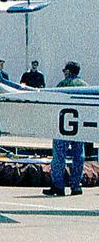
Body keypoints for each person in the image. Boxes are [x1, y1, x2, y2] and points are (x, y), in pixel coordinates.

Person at [47, 61, 87, 197]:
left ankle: (58, 186)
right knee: (79, 156)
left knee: (59, 156)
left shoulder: (62, 85)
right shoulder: (85, 86)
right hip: (79, 127)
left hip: (62, 128)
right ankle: (76, 186)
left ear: (68, 71)